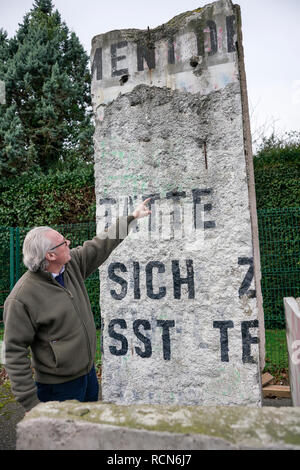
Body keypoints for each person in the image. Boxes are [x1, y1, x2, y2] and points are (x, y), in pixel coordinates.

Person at [3, 199, 151, 412]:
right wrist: (30, 403)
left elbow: (102, 244)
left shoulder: (71, 266)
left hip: (88, 376)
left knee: (88, 432)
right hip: (58, 388)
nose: (69, 243)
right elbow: (14, 352)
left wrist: (132, 217)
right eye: (63, 242)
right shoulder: (22, 298)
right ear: (50, 255)